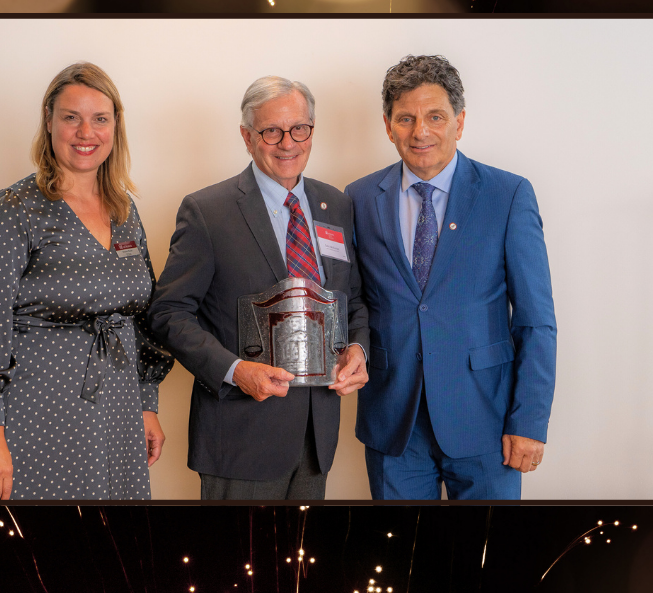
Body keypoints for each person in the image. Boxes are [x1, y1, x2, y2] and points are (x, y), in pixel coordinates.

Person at [0, 62, 172, 501]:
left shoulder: (124, 211)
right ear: (48, 122)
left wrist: (147, 403)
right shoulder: (14, 210)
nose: (86, 132)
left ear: (115, 126)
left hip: (118, 413)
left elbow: (141, 317)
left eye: (100, 119)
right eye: (71, 117)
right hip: (34, 416)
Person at [346, 55, 557, 500]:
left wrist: (529, 421)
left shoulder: (508, 194)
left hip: (487, 422)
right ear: (388, 126)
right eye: (406, 118)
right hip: (394, 424)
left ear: (459, 123)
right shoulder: (359, 198)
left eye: (435, 117)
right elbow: (354, 299)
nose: (420, 131)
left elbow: (536, 320)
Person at [148, 76, 369, 500]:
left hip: (317, 436)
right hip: (239, 436)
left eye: (299, 128)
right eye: (271, 131)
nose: (288, 143)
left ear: (312, 130)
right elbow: (168, 312)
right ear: (247, 137)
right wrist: (235, 371)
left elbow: (352, 298)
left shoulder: (337, 205)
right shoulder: (207, 211)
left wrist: (358, 349)